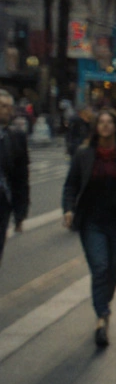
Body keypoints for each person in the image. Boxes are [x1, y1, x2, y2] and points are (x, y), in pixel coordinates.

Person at [62, 108, 116, 346]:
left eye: (109, 122)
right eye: (101, 122)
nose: (105, 126)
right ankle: (102, 315)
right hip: (92, 222)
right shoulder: (84, 154)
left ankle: (103, 306)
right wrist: (68, 209)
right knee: (100, 267)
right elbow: (71, 184)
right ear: (95, 128)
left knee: (114, 269)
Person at [0, 89, 31, 267]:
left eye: (9, 107)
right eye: (2, 106)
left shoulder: (16, 137)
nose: (7, 110)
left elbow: (21, 178)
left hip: (2, 203)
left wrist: (20, 213)